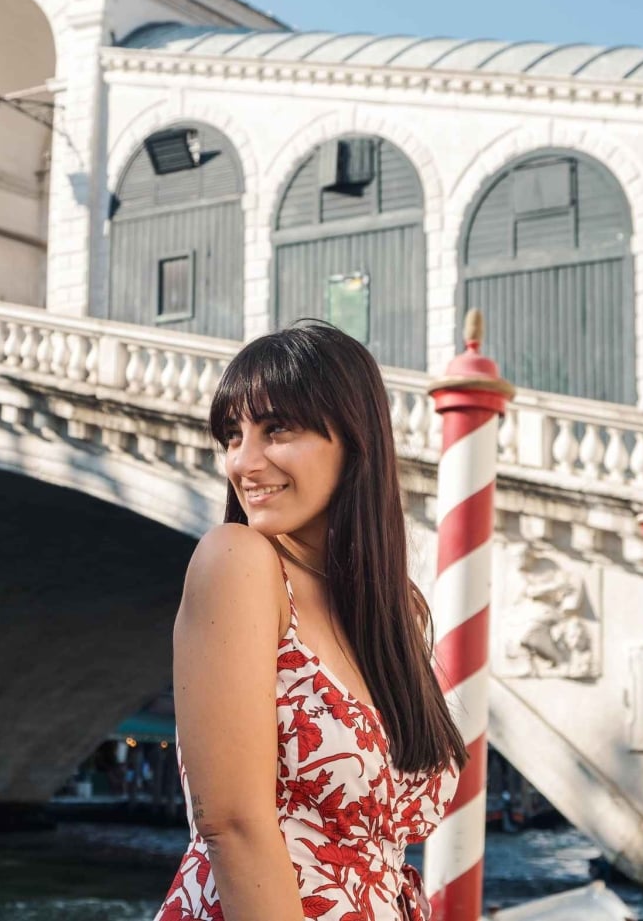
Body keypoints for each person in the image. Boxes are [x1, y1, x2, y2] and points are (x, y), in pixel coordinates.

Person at [154, 320, 467, 921]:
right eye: (231, 435)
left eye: (277, 430)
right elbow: (233, 825)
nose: (243, 463)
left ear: (354, 439)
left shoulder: (394, 610)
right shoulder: (237, 562)